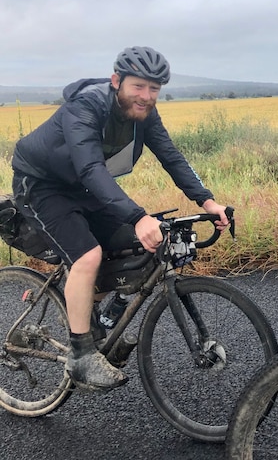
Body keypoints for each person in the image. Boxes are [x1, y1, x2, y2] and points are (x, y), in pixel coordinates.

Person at [11, 46, 230, 391]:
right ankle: (81, 356)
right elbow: (89, 167)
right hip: (41, 186)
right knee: (88, 255)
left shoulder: (145, 114)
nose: (146, 96)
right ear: (117, 81)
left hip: (82, 186)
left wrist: (207, 201)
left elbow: (171, 157)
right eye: (139, 86)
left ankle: (96, 317)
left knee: (128, 246)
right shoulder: (86, 106)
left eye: (154, 89)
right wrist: (138, 215)